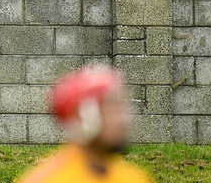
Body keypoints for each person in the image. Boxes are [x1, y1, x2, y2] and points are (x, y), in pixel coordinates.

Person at [13, 65, 152, 183]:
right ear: (81, 117)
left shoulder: (134, 177)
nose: (122, 119)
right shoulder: (49, 179)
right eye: (111, 110)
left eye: (121, 107)